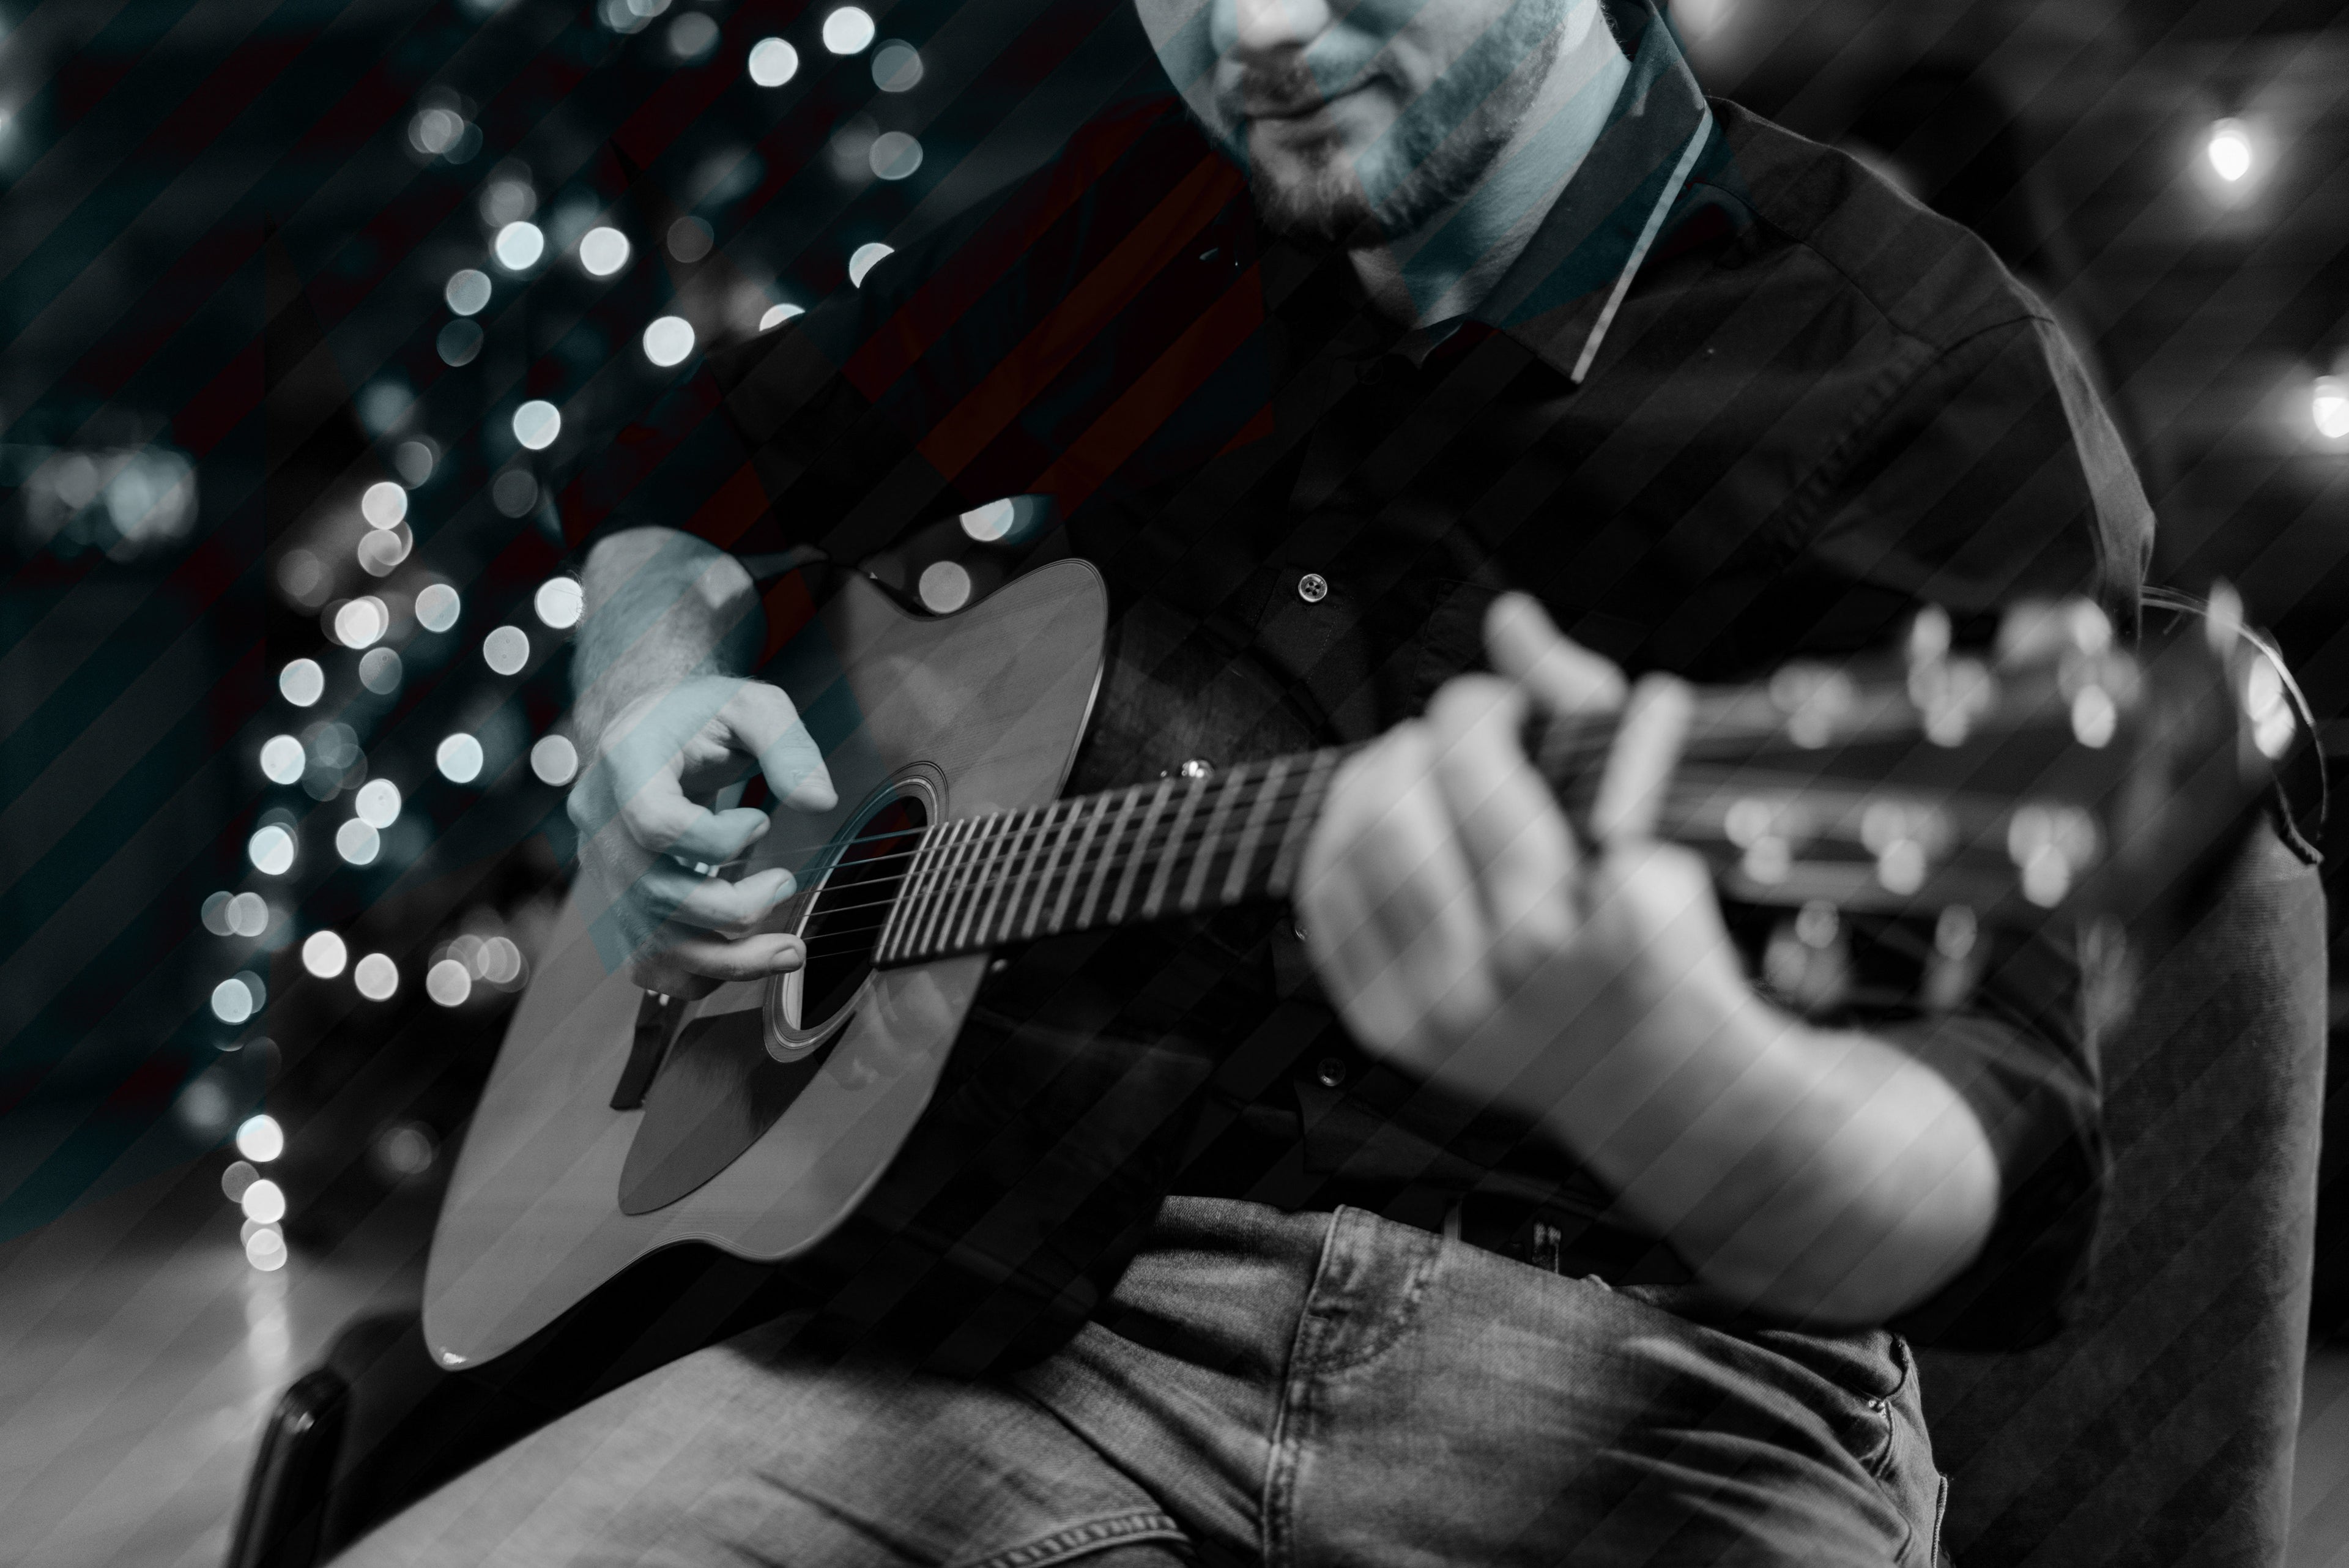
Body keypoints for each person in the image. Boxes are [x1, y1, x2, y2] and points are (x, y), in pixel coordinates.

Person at [340, 0, 2151, 1561]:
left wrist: (1655, 1065)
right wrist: (646, 690)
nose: (1260, 30)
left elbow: (1987, 1181)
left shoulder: (1916, 375)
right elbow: (688, 459)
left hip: (1659, 1377)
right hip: (1059, 1323)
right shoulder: (1148, 233)